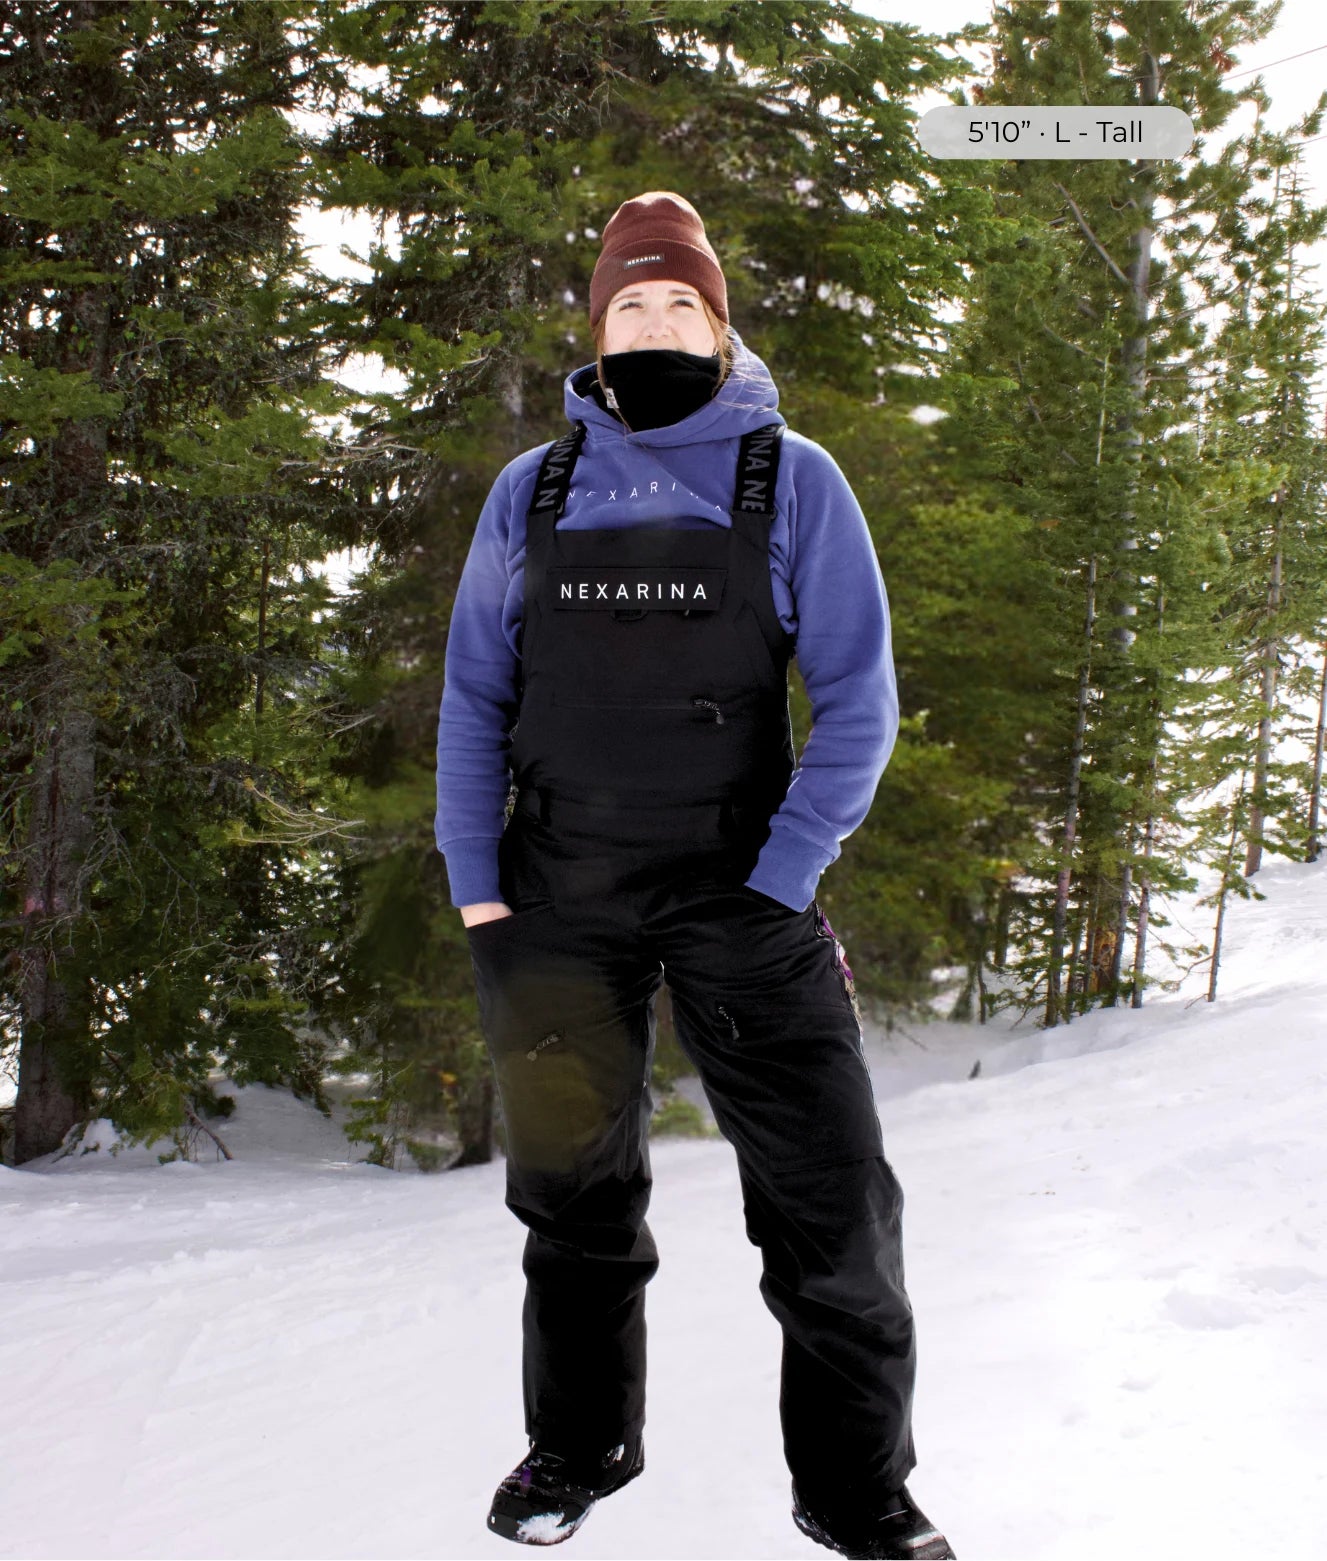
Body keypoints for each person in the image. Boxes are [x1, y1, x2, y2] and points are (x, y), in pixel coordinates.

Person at [435, 191, 954, 1561]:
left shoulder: (792, 477)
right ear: (596, 330)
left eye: (680, 304)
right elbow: (474, 693)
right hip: (559, 899)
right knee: (572, 1201)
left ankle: (856, 1488)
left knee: (833, 1201)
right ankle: (579, 1445)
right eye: (630, 304)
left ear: (719, 329)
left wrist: (786, 875)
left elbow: (860, 699)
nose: (654, 322)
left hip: (746, 894)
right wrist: (477, 881)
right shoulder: (530, 489)